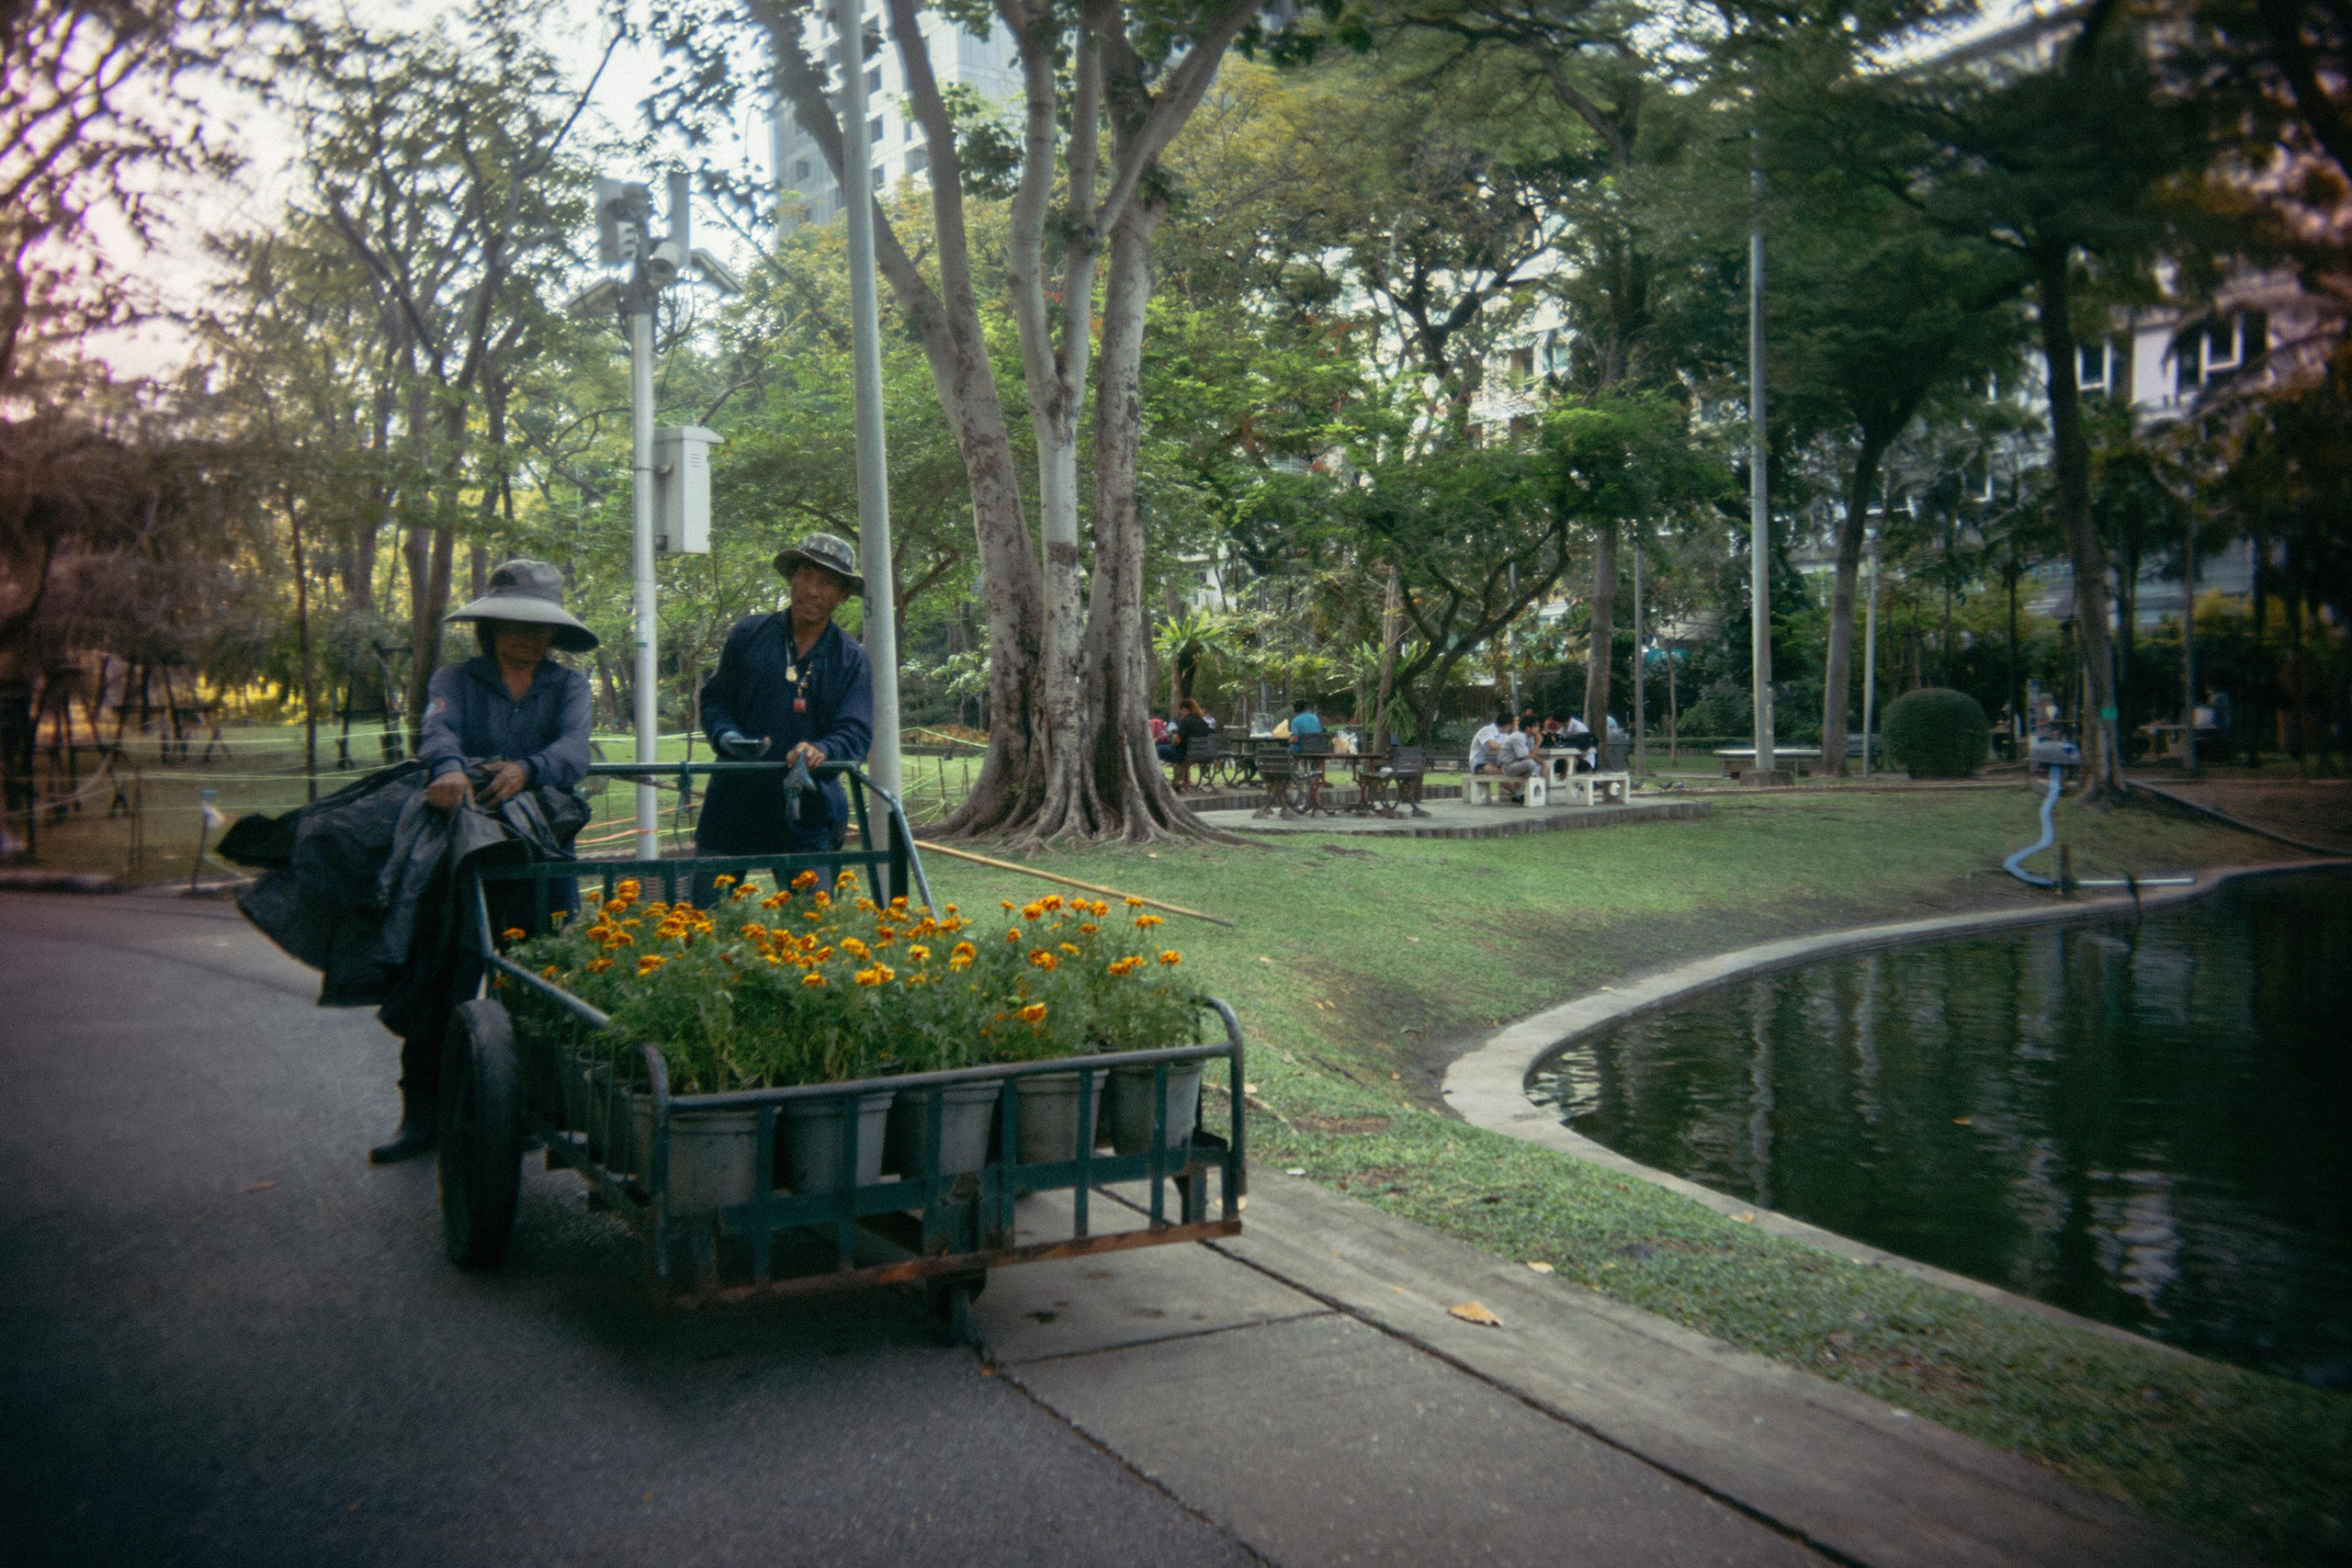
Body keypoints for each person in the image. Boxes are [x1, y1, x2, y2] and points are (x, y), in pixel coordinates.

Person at [376, 558, 597, 1164]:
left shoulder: (569, 687)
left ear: (553, 632)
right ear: (491, 626)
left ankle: (529, 1109)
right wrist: (449, 769)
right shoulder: (456, 678)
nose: (525, 636)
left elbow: (574, 750)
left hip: (540, 850)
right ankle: (422, 1114)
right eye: (512, 623)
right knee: (443, 970)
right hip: (463, 845)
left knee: (542, 974)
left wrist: (529, 768)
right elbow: (438, 732)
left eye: (537, 626)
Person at [695, 532, 875, 887]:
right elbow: (715, 699)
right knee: (704, 915)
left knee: (811, 918)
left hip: (806, 809)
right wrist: (726, 735)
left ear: (842, 595)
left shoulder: (850, 658)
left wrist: (822, 750)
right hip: (732, 801)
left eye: (827, 583)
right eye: (806, 576)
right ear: (791, 579)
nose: (813, 590)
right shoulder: (747, 635)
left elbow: (855, 731)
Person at [1469, 708, 1537, 799]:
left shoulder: (1504, 735)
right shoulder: (1487, 730)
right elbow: (1492, 745)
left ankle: (1518, 793)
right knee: (1500, 773)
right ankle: (1517, 794)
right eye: (1513, 724)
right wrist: (1507, 746)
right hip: (1480, 762)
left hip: (1497, 761)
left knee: (1518, 768)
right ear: (1507, 725)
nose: (1512, 727)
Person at [1170, 697, 1214, 791]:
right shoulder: (1202, 722)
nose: (1181, 713)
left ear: (1185, 709)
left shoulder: (1185, 721)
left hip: (1183, 754)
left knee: (1159, 749)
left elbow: (1176, 741)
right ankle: (1185, 780)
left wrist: (1171, 742)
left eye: (1181, 710)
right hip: (1200, 754)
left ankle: (1177, 781)